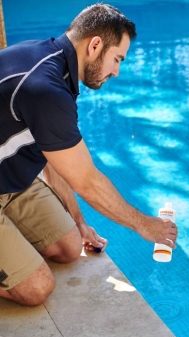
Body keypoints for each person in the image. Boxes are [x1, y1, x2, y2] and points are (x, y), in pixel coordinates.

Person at [0, 3, 178, 306]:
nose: (116, 71)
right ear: (95, 45)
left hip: (11, 183)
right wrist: (142, 224)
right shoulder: (47, 88)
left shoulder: (51, 63)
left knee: (69, 248)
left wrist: (79, 221)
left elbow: (53, 155)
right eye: (117, 59)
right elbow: (86, 181)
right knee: (36, 288)